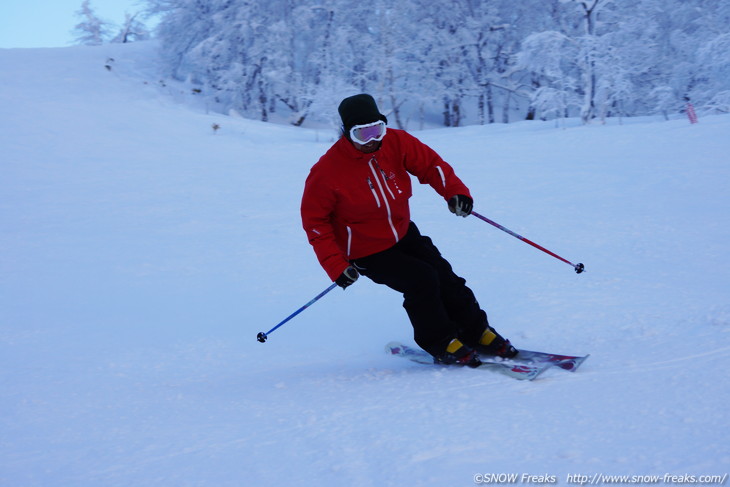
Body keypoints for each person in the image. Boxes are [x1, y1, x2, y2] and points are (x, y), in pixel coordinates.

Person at [300, 94, 517, 366]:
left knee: (444, 275)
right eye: (362, 134)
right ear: (346, 133)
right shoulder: (327, 171)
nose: (372, 140)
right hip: (365, 250)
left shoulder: (396, 142)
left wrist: (455, 192)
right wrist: (335, 264)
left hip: (402, 232)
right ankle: (440, 342)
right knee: (421, 279)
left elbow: (430, 164)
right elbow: (315, 221)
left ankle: (476, 331)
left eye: (377, 130)